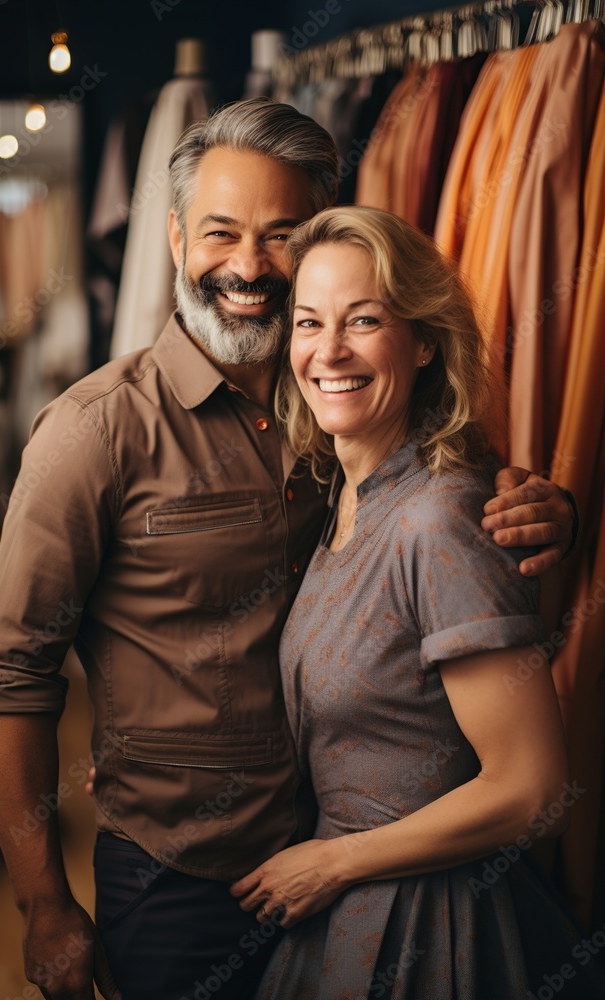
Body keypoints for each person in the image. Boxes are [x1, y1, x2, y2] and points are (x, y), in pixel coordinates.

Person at [0, 100, 576, 1000]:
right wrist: (44, 905)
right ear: (174, 240)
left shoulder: (343, 418)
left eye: (280, 235)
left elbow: (449, 520)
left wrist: (543, 506)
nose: (248, 267)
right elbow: (13, 677)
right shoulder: (94, 434)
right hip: (181, 888)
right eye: (221, 233)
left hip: (354, 876)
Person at [229, 206, 604, 1000]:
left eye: (362, 320)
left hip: (436, 928)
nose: (327, 351)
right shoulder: (339, 499)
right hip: (345, 911)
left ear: (424, 341)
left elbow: (533, 789)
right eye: (308, 322)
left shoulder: (436, 520)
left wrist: (334, 861)